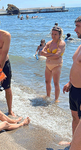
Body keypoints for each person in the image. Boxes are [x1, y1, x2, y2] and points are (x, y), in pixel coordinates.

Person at [62, 16, 81, 148]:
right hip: (74, 88)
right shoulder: (80, 45)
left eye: (78, 26)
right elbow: (75, 65)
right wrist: (70, 82)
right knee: (75, 118)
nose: (75, 29)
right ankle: (73, 141)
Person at [39, 26, 65, 102]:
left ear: (59, 35)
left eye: (55, 34)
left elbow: (58, 55)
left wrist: (46, 54)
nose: (53, 36)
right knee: (47, 81)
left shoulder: (61, 43)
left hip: (56, 66)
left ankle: (56, 99)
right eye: (52, 34)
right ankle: (48, 96)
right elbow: (41, 53)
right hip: (48, 65)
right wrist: (52, 56)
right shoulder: (49, 42)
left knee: (56, 83)